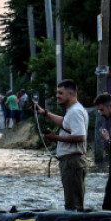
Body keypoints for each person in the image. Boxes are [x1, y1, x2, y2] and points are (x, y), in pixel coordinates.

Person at [34, 79, 89, 210]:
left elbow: (81, 136)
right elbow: (64, 122)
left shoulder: (75, 111)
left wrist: (55, 137)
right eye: (57, 93)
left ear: (70, 94)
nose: (57, 96)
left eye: (60, 93)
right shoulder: (73, 110)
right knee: (72, 203)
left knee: (73, 205)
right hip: (71, 162)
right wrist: (44, 113)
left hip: (72, 162)